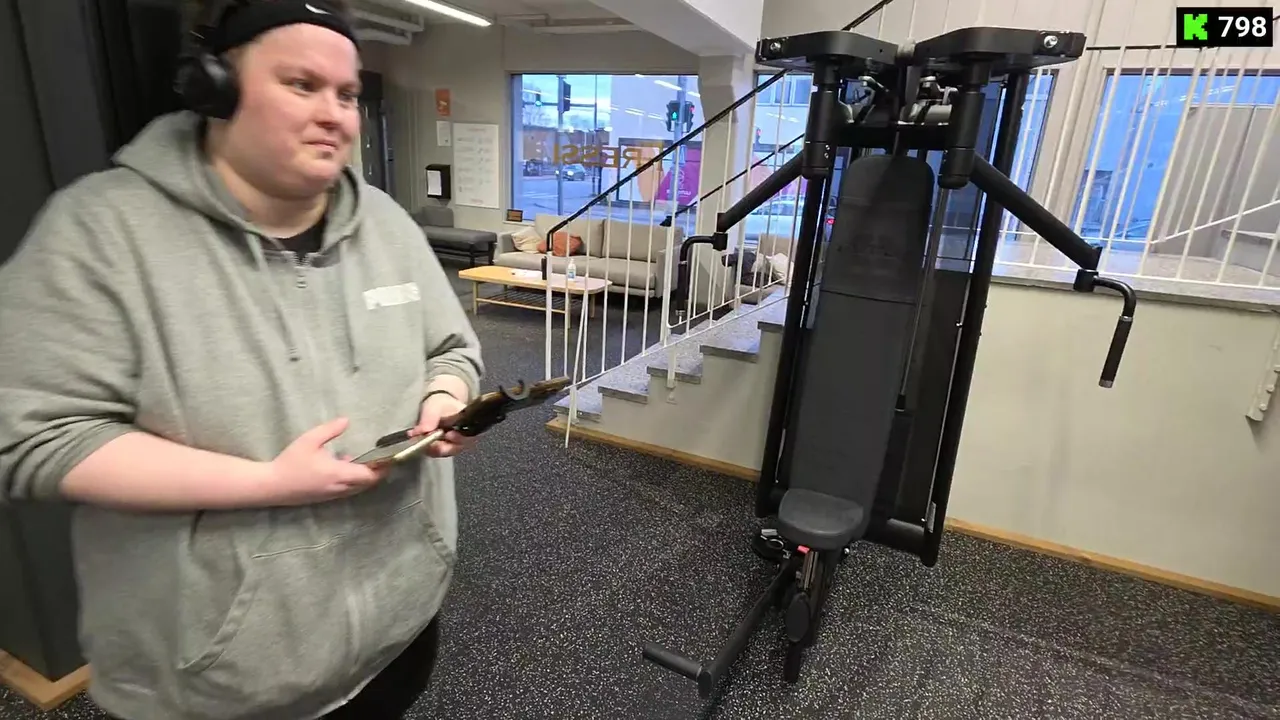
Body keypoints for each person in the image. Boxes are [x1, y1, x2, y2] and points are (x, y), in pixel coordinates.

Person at [0, 1, 484, 718]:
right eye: (301, 85)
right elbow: (37, 437)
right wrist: (266, 483)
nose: (334, 115)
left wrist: (444, 399)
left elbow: (451, 349)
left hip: (397, 629)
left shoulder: (385, 222)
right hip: (219, 678)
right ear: (216, 89)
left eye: (346, 94)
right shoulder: (101, 233)